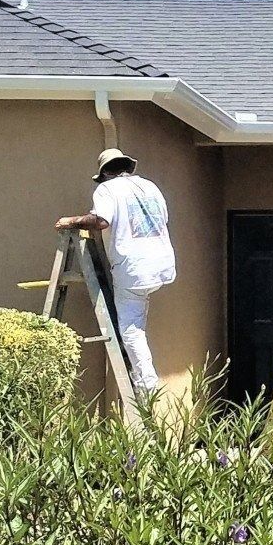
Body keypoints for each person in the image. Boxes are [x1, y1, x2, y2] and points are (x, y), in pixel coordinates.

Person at [55, 148, 175, 394]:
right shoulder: (151, 187)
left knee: (131, 330)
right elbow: (163, 219)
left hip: (133, 268)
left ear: (106, 172)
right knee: (138, 311)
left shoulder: (107, 189)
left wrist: (72, 221)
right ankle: (144, 380)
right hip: (161, 263)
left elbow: (100, 221)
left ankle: (146, 387)